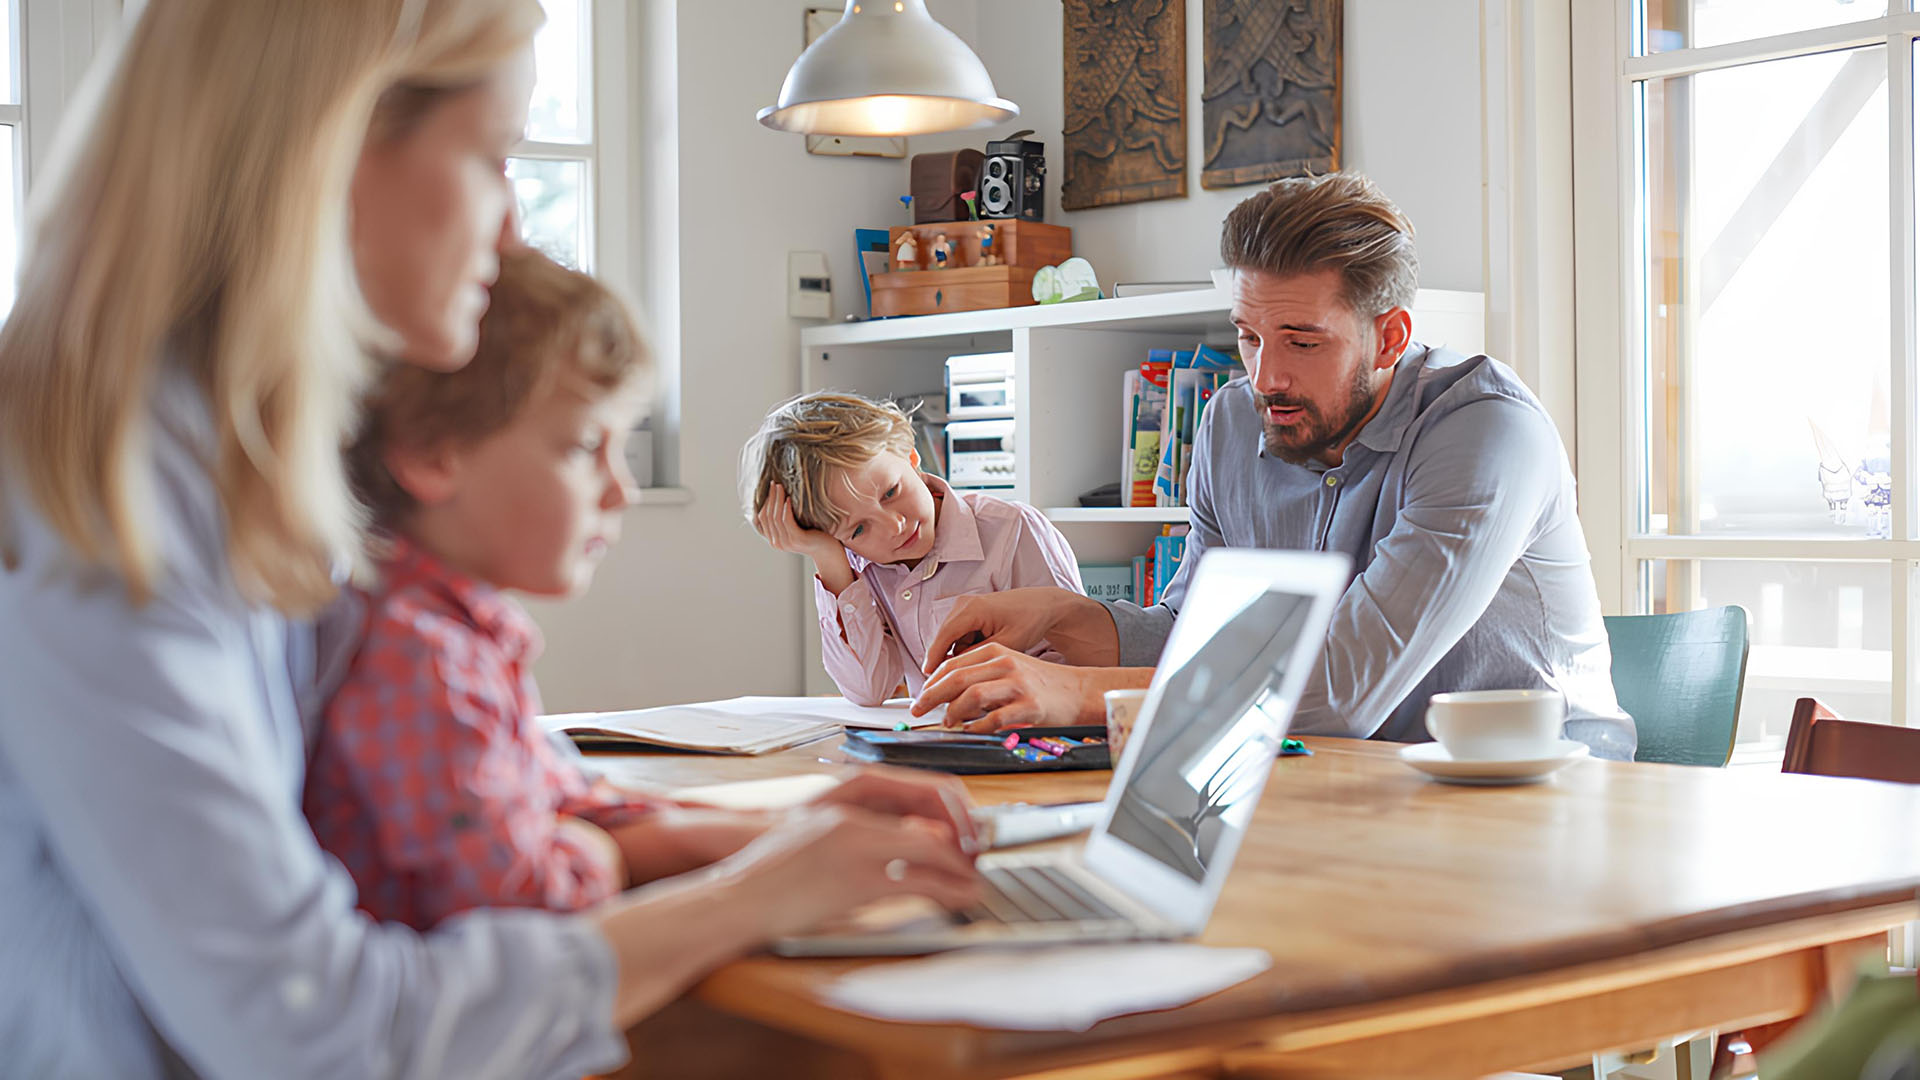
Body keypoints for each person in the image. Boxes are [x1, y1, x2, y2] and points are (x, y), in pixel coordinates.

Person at [0, 4, 976, 1077]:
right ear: (335, 142)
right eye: (491, 156)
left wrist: (764, 844)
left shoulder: (251, 458)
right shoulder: (107, 495)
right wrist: (753, 895)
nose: (512, 227)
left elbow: (505, 805)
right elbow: (319, 1031)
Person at [910, 172, 1635, 761]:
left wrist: (1078, 692)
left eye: (1302, 342)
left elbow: (1344, 690)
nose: (1265, 377)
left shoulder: (1487, 431)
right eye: (1250, 337)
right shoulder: (1231, 425)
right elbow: (1202, 636)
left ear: (1389, 338)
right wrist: (1063, 618)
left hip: (1545, 801)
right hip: (1353, 788)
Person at [741, 391, 1084, 705]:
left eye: (890, 492)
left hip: (1035, 734)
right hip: (940, 743)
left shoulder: (1012, 529)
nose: (894, 526)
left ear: (911, 456)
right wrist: (828, 558)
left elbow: (1083, 653)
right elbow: (868, 690)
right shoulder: (858, 565)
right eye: (859, 529)